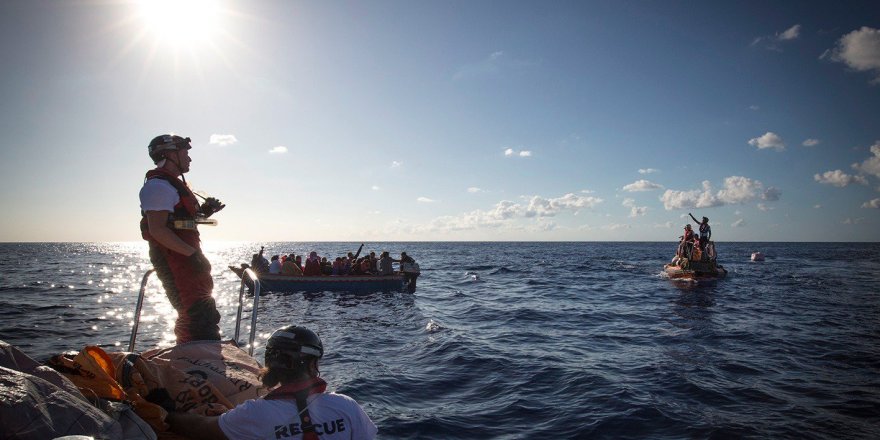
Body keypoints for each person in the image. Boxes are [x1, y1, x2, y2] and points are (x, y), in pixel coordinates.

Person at [167, 325, 378, 439]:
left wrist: (168, 413)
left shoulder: (253, 414)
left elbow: (201, 428)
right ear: (313, 365)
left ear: (270, 364)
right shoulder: (346, 407)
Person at [139, 134, 225, 344]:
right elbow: (158, 230)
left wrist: (204, 212)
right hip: (175, 260)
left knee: (203, 311)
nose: (189, 158)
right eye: (185, 152)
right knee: (195, 314)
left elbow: (180, 222)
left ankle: (198, 358)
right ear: (170, 154)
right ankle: (193, 361)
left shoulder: (170, 186)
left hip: (186, 259)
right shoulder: (158, 186)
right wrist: (193, 255)